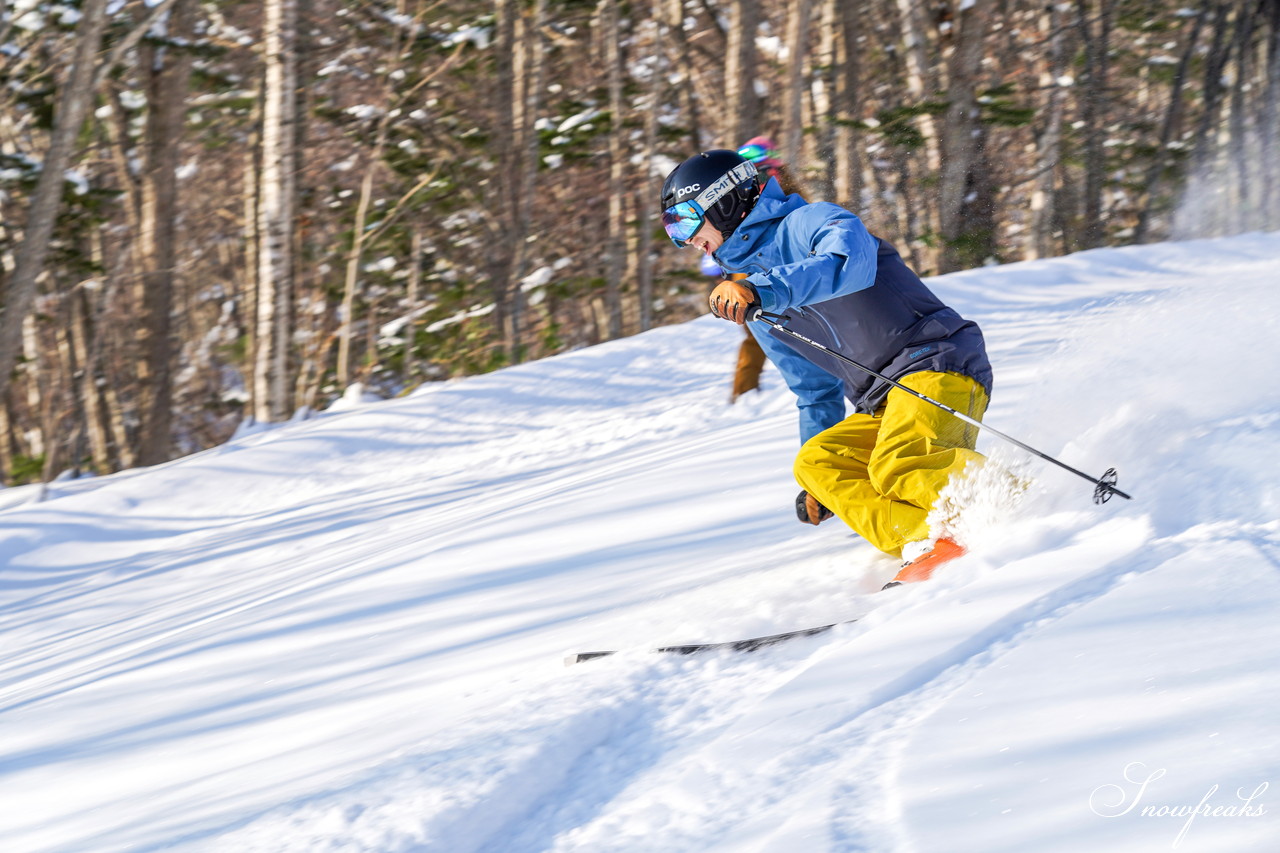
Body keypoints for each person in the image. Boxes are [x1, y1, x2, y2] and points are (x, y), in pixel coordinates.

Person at [660, 149, 994, 586]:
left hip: (935, 362)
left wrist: (766, 288)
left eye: (685, 221)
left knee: (900, 461)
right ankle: (929, 541)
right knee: (819, 463)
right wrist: (819, 492)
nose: (684, 239)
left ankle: (1016, 506)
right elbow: (814, 390)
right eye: (671, 230)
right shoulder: (751, 296)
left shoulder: (811, 223)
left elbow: (848, 263)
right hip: (883, 400)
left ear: (723, 201)